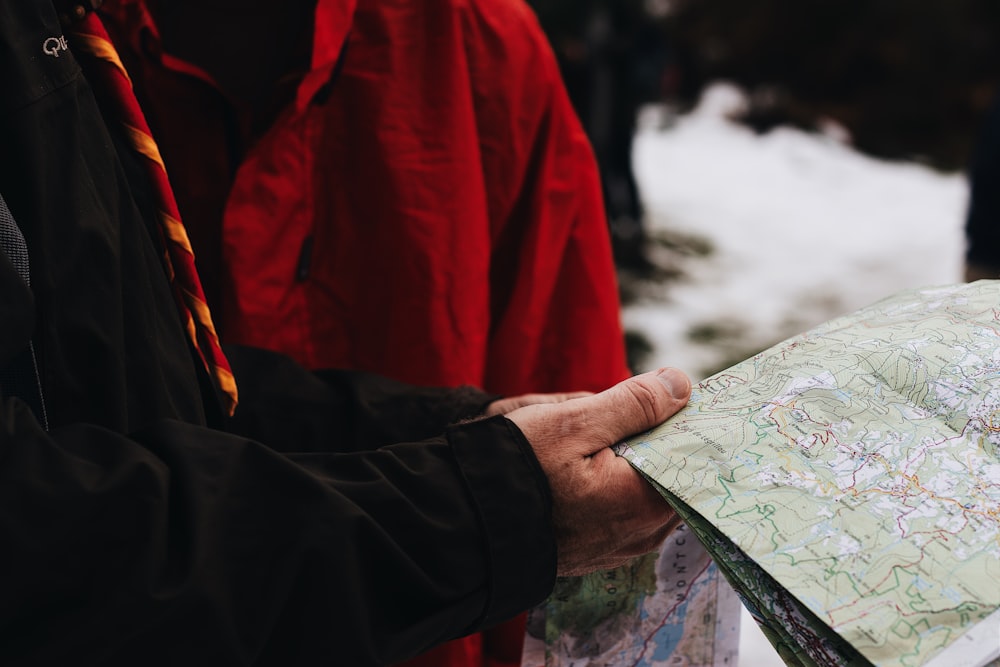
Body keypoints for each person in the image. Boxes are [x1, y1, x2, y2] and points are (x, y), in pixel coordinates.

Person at [0, 1, 692, 664]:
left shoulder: (477, 44)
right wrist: (491, 509)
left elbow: (559, 357)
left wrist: (469, 432)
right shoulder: (73, 42)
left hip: (441, 624)